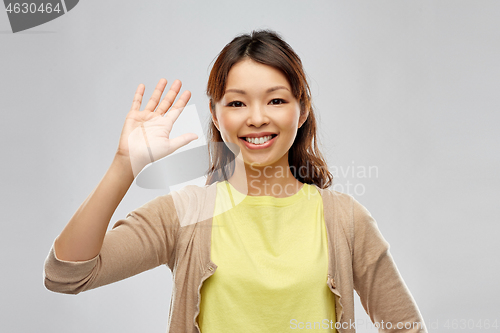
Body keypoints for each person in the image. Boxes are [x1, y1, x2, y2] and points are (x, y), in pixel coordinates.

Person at [44, 30, 428, 333]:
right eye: (237, 102)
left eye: (275, 101)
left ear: (302, 108)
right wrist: (123, 165)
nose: (257, 118)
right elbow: (67, 275)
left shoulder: (345, 219)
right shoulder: (185, 215)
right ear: (214, 114)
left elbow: (406, 327)